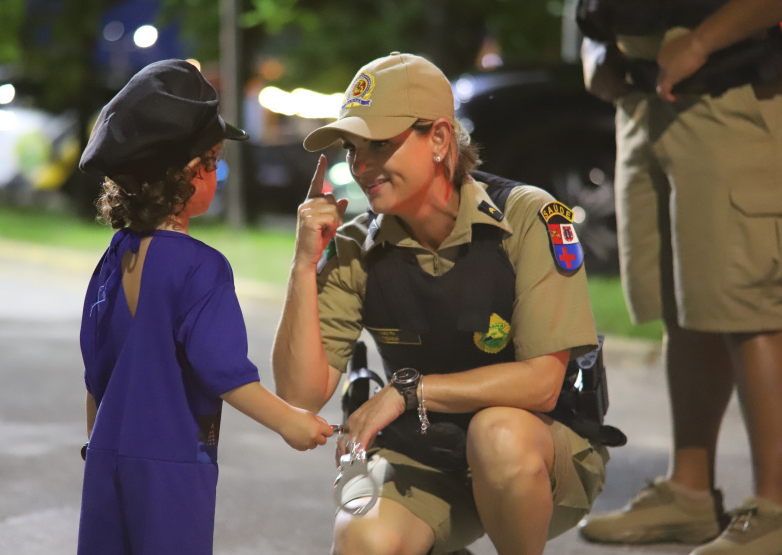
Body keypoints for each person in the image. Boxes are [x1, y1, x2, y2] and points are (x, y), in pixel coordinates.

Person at [271, 52, 611, 555]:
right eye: (351, 148)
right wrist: (302, 266)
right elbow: (301, 396)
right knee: (363, 540)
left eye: (380, 145)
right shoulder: (351, 247)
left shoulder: (530, 217)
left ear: (439, 139)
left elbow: (542, 384)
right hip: (426, 455)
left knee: (497, 435)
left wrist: (407, 392)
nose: (361, 167)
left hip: (535, 450)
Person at [74, 59, 334, 555]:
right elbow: (226, 372)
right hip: (172, 463)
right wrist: (291, 422)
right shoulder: (201, 266)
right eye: (212, 160)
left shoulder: (113, 257)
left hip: (105, 455)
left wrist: (97, 444)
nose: (216, 172)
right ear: (189, 176)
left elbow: (95, 372)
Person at [577, 1, 782, 553]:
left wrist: (702, 40)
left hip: (729, 90)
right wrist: (595, 42)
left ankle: (777, 508)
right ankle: (688, 493)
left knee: (748, 302)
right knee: (681, 301)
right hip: (643, 101)